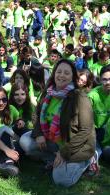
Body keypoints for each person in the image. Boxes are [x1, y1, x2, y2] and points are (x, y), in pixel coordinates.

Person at [19, 59, 95, 187]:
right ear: (54, 74)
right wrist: (38, 134)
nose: (61, 75)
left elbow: (85, 131)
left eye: (66, 73)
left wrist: (64, 152)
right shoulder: (48, 92)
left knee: (61, 180)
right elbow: (37, 114)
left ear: (73, 77)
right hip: (53, 140)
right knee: (25, 141)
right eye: (59, 71)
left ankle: (87, 161)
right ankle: (54, 159)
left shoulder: (79, 98)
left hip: (75, 146)